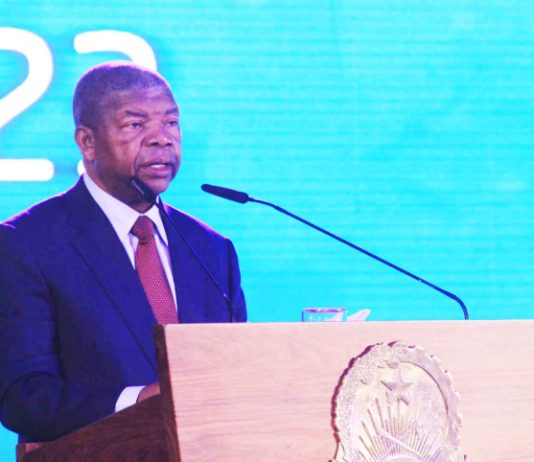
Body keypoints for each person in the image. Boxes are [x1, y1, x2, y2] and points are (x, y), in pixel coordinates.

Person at [0, 61, 247, 442]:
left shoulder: (212, 249)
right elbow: (25, 397)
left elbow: (238, 374)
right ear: (87, 142)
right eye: (135, 124)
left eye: (171, 122)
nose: (162, 139)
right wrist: (139, 400)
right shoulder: (26, 243)